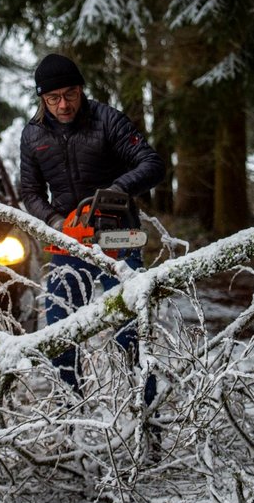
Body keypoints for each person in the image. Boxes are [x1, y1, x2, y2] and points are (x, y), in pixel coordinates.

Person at [19, 53, 165, 405]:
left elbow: (152, 164)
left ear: (81, 90)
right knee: (60, 333)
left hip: (118, 236)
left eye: (69, 94)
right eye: (53, 98)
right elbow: (30, 191)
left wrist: (116, 191)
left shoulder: (107, 120)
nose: (63, 104)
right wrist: (56, 222)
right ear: (42, 99)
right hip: (69, 241)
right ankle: (70, 417)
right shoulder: (34, 134)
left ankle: (146, 417)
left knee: (130, 332)